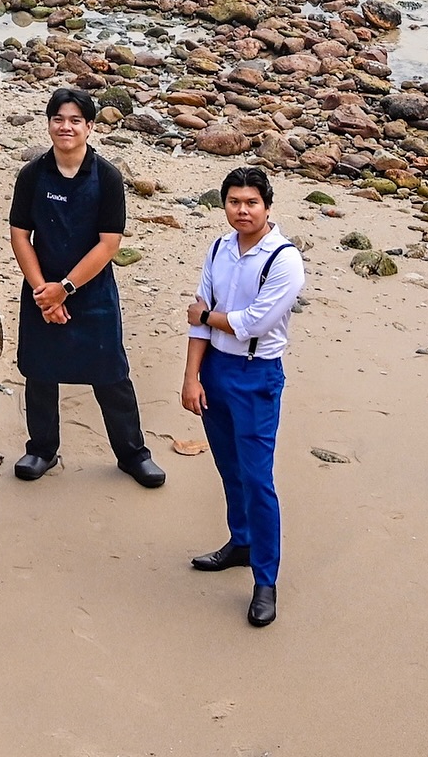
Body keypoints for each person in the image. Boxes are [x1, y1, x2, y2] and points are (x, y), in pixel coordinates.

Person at [9, 87, 165, 489]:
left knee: (110, 373)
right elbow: (19, 234)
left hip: (90, 291)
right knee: (40, 372)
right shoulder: (32, 174)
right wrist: (44, 291)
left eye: (75, 120)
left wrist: (66, 288)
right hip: (41, 287)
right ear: (48, 125)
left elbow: (109, 244)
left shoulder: (108, 177)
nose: (66, 126)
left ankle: (133, 453)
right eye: (59, 119)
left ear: (90, 127)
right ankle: (42, 449)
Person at [183, 166, 305, 629]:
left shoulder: (285, 260)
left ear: (267, 206)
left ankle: (265, 580)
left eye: (251, 202)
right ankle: (240, 543)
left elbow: (253, 323)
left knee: (258, 479)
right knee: (229, 467)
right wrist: (191, 377)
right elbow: (199, 318)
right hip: (215, 369)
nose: (242, 210)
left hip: (256, 376)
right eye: (234, 202)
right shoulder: (219, 249)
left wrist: (208, 314)